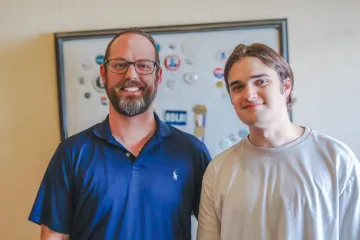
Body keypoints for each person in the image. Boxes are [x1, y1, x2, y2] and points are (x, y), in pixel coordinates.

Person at [28, 27, 211, 240]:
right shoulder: (72, 154)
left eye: (143, 65)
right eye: (120, 65)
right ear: (104, 74)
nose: (131, 75)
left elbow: (215, 227)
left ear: (158, 75)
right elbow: (53, 236)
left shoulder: (191, 152)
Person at [196, 43, 360, 240]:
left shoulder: (337, 159)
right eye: (238, 87)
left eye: (261, 81)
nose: (249, 94)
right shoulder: (218, 169)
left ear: (287, 86)